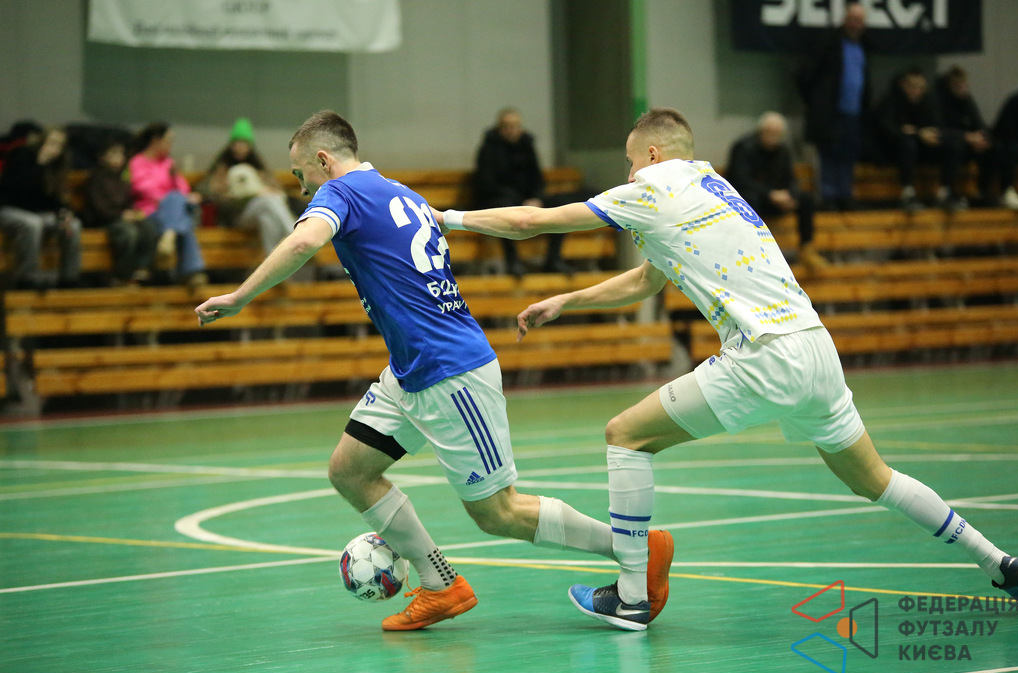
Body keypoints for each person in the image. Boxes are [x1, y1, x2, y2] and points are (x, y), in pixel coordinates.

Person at [436, 107, 1018, 630]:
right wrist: (569, 299)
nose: (628, 173)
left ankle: (632, 597)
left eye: (630, 161)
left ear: (653, 154)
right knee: (876, 479)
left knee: (626, 436)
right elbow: (648, 279)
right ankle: (1001, 563)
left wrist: (449, 219)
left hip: (763, 354)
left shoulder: (652, 187)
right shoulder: (714, 186)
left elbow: (531, 222)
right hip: (815, 348)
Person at [194, 110, 674, 632]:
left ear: (323, 160)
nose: (301, 186)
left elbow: (305, 241)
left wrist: (240, 297)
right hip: (411, 369)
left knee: (499, 513)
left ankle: (634, 548)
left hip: (449, 371)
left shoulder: (340, 192)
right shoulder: (402, 192)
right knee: (350, 470)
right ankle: (441, 584)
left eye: (300, 172)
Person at [473, 108, 572, 277]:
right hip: (499, 199)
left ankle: (553, 260)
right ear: (499, 128)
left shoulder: (527, 145)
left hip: (527, 200)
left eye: (515, 126)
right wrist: (520, 201)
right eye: (506, 126)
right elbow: (487, 184)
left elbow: (537, 178)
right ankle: (513, 261)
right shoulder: (488, 149)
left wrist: (536, 198)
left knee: (560, 206)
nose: (511, 130)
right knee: (505, 210)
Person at [727, 112, 827, 272]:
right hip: (753, 200)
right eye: (770, 132)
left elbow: (790, 180)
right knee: (750, 200)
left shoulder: (783, 151)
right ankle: (752, 251)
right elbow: (739, 181)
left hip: (776, 200)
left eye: (778, 134)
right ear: (761, 131)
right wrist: (770, 194)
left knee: (806, 199)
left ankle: (807, 249)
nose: (774, 137)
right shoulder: (743, 148)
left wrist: (790, 196)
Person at [796, 2, 871, 211]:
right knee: (829, 154)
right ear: (845, 19)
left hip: (854, 113)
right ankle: (828, 196)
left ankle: (845, 195)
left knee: (849, 155)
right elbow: (805, 75)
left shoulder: (863, 45)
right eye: (852, 19)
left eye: (859, 21)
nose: (855, 24)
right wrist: (816, 103)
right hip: (831, 113)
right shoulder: (829, 42)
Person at [0, 126, 82, 289]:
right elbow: (14, 189)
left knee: (73, 225)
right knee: (33, 223)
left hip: (38, 213)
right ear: (42, 141)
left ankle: (69, 279)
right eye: (52, 142)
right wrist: (40, 163)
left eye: (59, 145)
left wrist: (64, 213)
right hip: (9, 209)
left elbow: (56, 199)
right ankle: (27, 279)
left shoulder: (56, 166)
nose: (54, 148)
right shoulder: (22, 155)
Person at [200, 118, 296, 256]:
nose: (240, 147)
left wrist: (264, 187)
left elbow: (277, 189)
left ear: (250, 145)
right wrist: (223, 188)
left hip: (257, 212)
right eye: (237, 143)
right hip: (235, 216)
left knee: (267, 219)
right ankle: (295, 235)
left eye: (244, 143)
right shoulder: (222, 166)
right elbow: (205, 189)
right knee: (268, 200)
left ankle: (275, 263)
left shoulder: (257, 166)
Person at [128, 122, 207, 287]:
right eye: (168, 140)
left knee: (177, 201)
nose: (171, 144)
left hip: (173, 211)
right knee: (182, 216)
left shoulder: (168, 163)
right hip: (150, 212)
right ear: (156, 140)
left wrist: (189, 197)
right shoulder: (137, 162)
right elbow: (142, 188)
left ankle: (168, 236)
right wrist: (169, 199)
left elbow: (183, 188)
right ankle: (192, 272)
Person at [873, 69, 963, 213]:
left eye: (921, 87)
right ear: (903, 85)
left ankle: (946, 192)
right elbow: (887, 129)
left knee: (952, 144)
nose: (917, 91)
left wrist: (928, 134)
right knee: (908, 144)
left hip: (924, 148)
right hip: (895, 151)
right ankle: (908, 193)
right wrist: (918, 133)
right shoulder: (891, 100)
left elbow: (938, 125)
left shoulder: (929, 100)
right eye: (912, 87)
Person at [936, 67, 1018, 210]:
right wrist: (965, 137)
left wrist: (982, 138)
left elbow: (979, 124)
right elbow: (938, 130)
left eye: (965, 85)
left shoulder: (967, 100)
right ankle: (947, 191)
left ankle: (983, 192)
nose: (963, 89)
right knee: (954, 148)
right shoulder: (939, 102)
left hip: (969, 145)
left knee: (995, 148)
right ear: (949, 87)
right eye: (958, 86)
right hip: (947, 146)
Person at [83, 139, 158, 286]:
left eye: (120, 154)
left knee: (148, 227)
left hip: (123, 218)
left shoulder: (122, 177)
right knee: (128, 232)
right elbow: (99, 208)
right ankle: (124, 275)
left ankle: (142, 269)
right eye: (113, 153)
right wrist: (121, 215)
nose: (118, 157)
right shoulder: (96, 178)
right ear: (102, 157)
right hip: (105, 221)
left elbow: (128, 201)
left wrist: (133, 213)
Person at [993, 85, 1018, 210]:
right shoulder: (1016, 101)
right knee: (1012, 150)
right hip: (1010, 142)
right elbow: (1003, 129)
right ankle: (1007, 190)